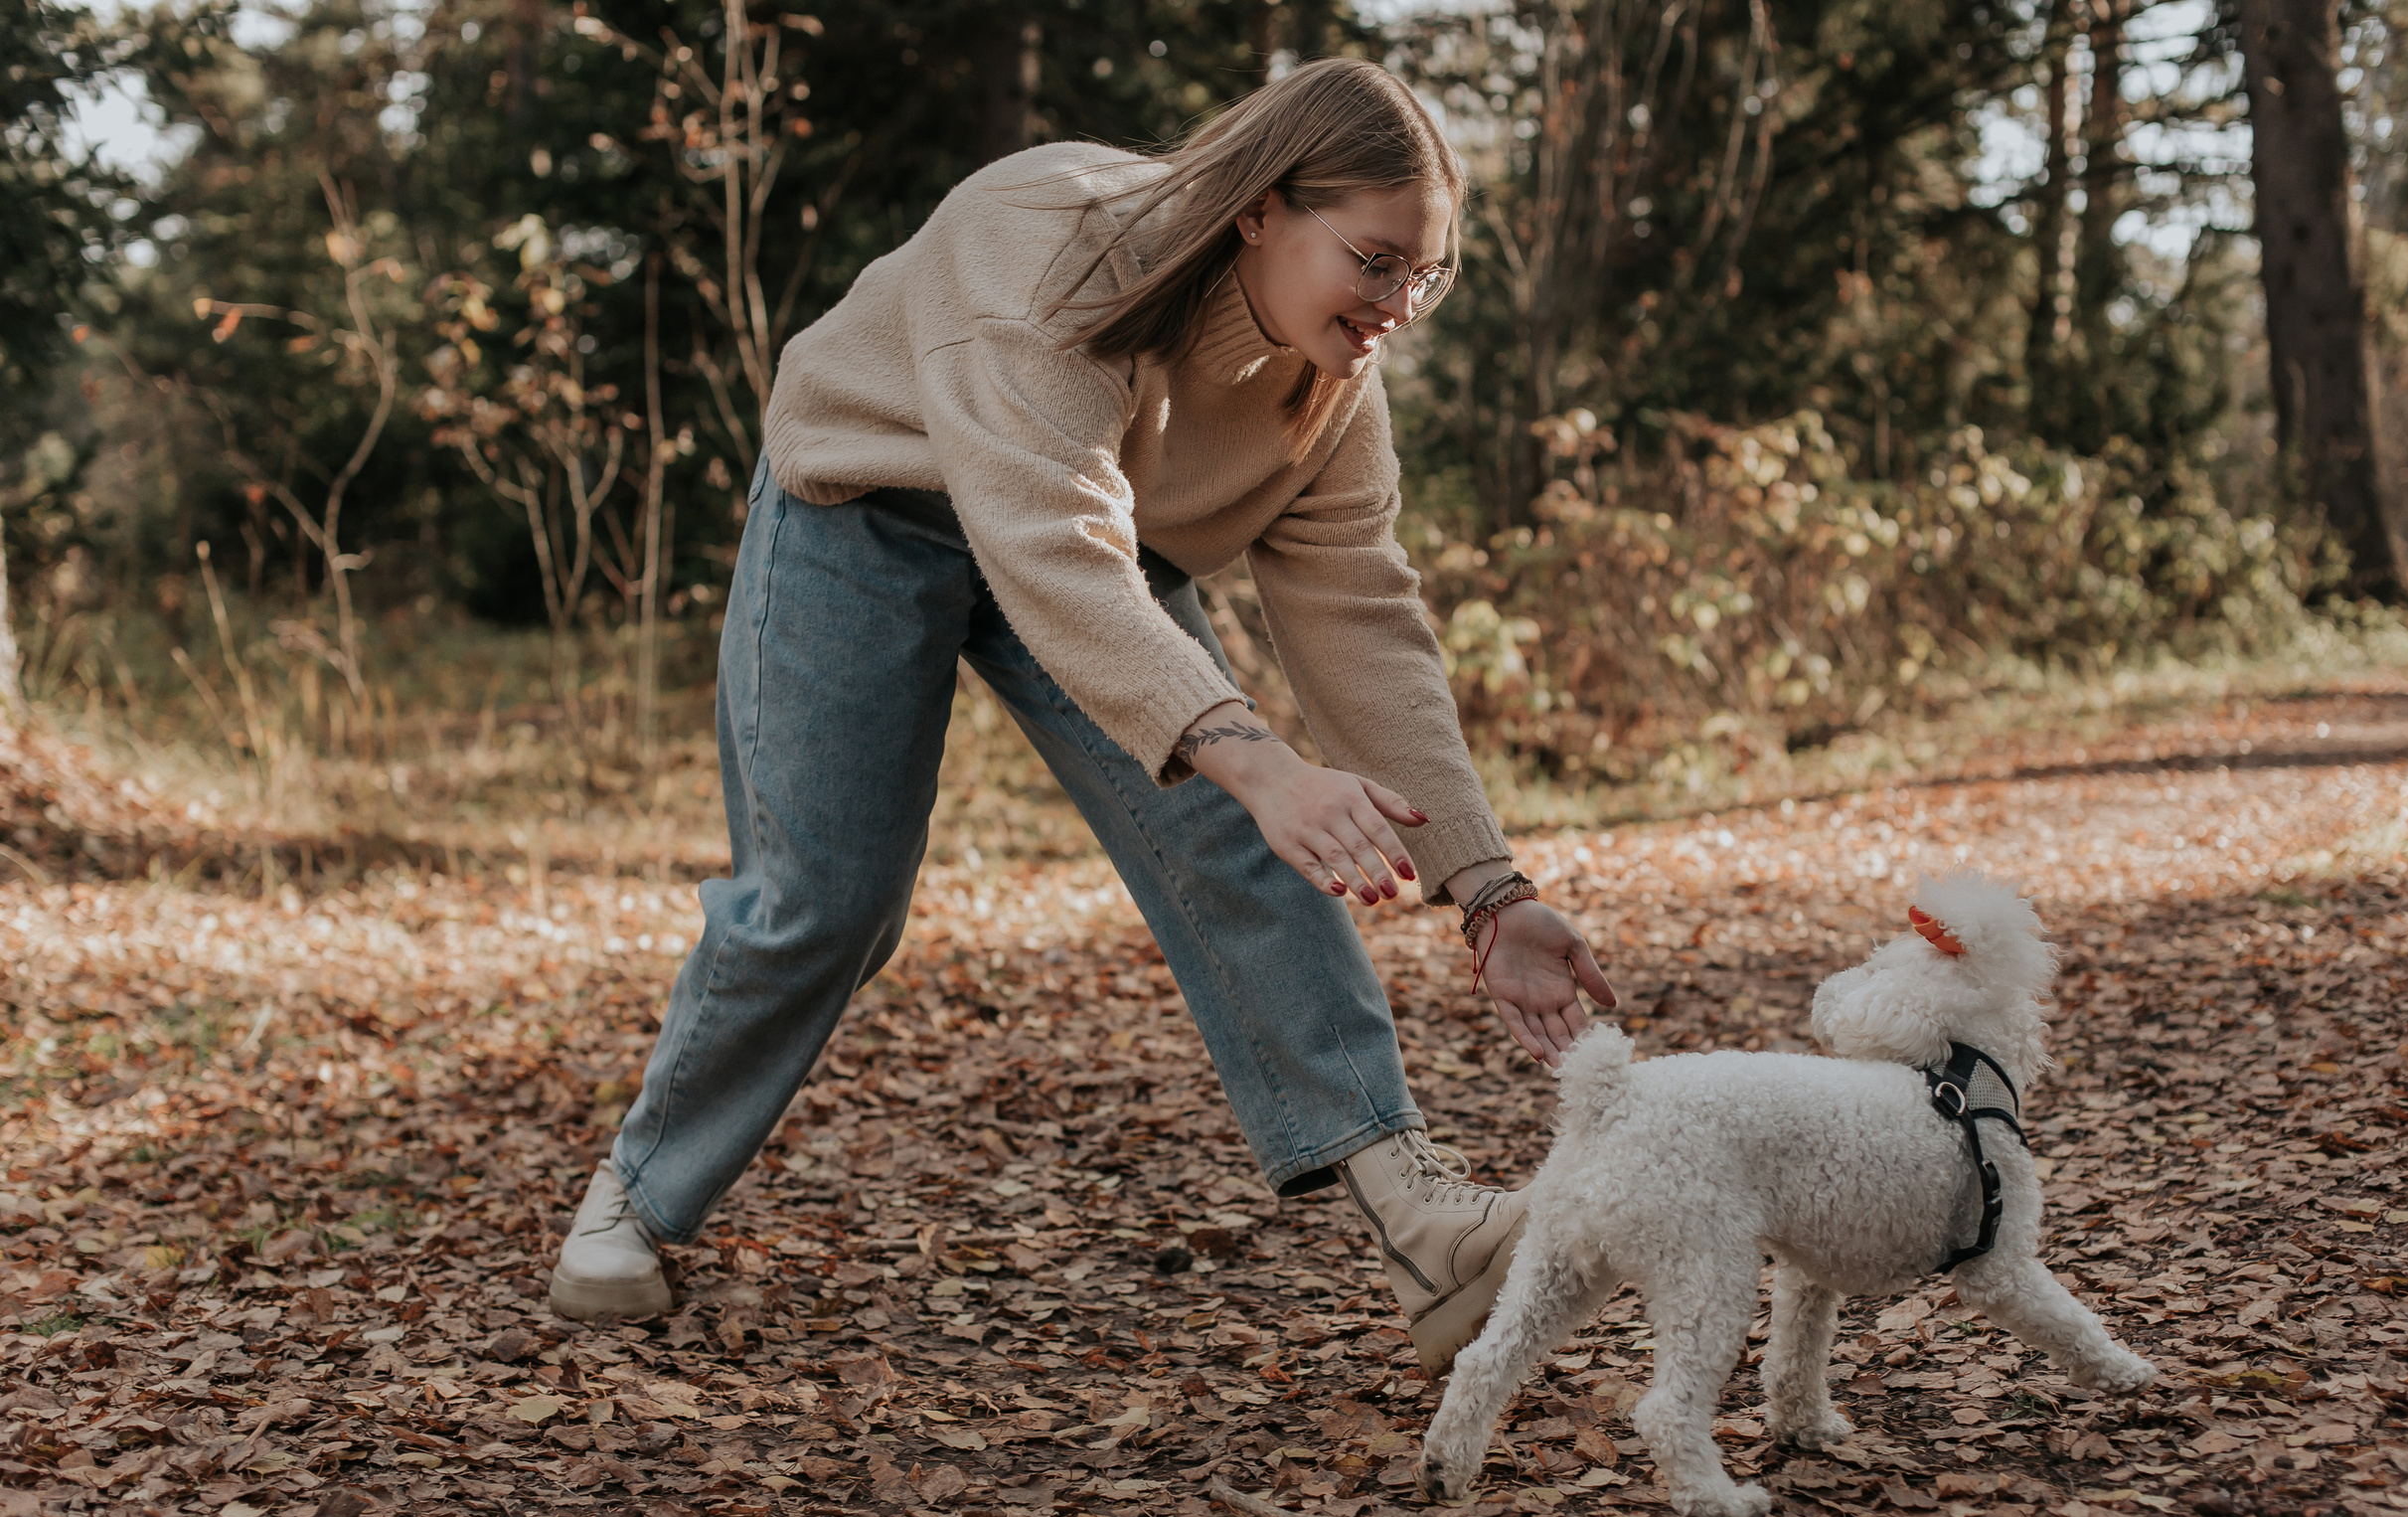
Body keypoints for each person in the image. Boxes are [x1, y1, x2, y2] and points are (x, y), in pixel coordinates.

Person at [546, 58, 1615, 1377]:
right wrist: (1260, 759)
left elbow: (1365, 623)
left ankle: (1419, 1223)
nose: (1399, 307)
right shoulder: (1047, 240)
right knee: (829, 898)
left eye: (1426, 277)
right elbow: (1047, 542)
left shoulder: (1334, 384)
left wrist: (1489, 888)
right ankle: (635, 1201)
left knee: (1237, 837)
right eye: (1378, 262)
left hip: (1102, 539)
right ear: (1262, 212)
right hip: (873, 504)